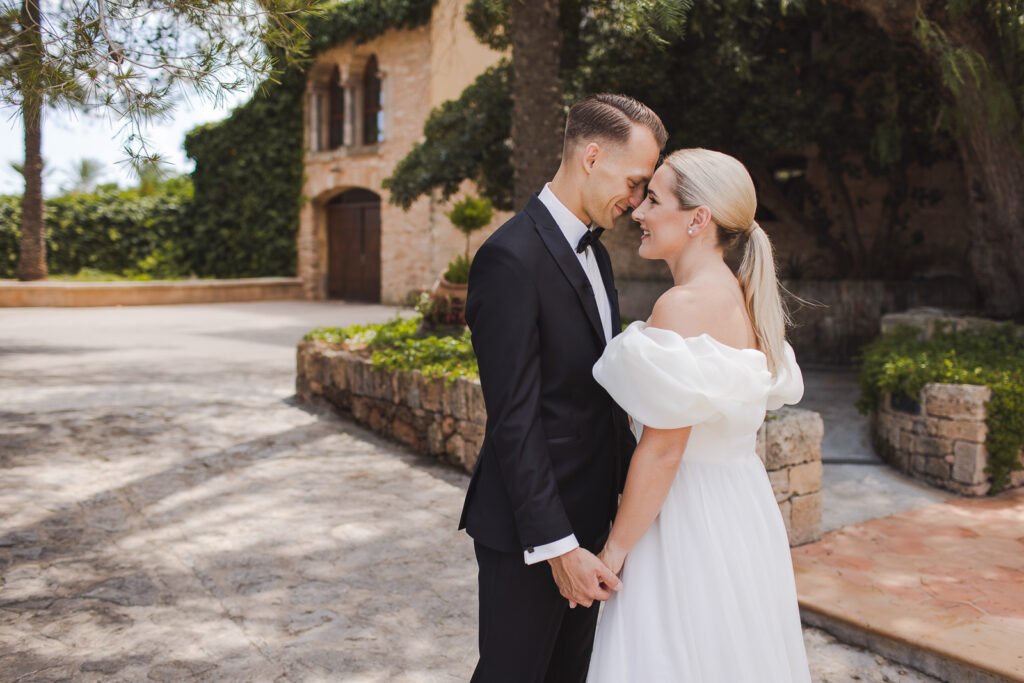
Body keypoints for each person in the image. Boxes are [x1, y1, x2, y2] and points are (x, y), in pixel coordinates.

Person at [459, 94, 666, 683]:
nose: (637, 200)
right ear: (592, 157)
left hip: (594, 525)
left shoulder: (597, 256)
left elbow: (598, 400)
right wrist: (557, 546)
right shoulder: (508, 257)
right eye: (634, 182)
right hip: (532, 534)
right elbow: (514, 419)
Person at [586, 148, 812, 682]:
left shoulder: (682, 306)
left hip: (685, 516)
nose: (638, 211)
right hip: (740, 510)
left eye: (654, 200)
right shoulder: (742, 296)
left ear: (698, 219)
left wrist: (614, 551)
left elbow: (665, 449)